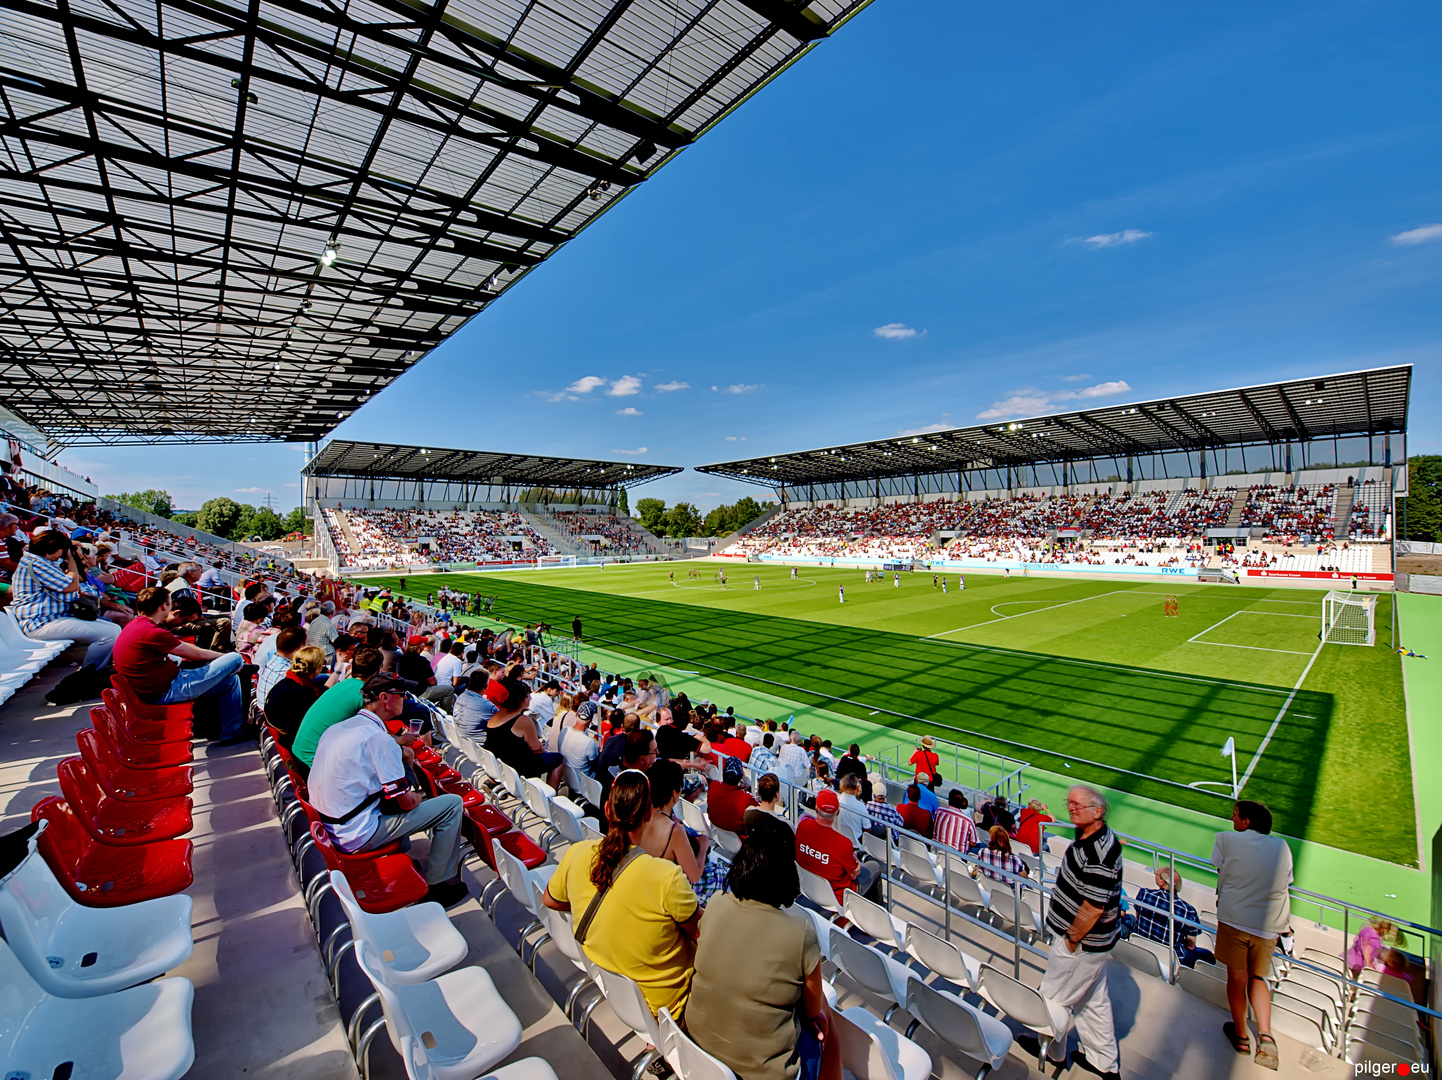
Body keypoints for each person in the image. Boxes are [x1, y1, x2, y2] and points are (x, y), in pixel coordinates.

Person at [688, 814, 841, 1080]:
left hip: (698, 1049)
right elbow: (814, 1011)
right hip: (760, 1070)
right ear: (785, 873)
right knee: (826, 1014)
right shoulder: (800, 933)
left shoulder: (715, 903)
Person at [542, 771, 701, 1018]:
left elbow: (551, 899)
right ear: (649, 813)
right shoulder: (665, 877)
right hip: (670, 1006)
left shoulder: (577, 854)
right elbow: (703, 934)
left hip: (620, 995)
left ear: (606, 809)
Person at [309, 673, 467, 908]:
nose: (405, 698)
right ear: (384, 698)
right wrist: (415, 786)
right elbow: (406, 803)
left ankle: (402, 855)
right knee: (451, 805)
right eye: (400, 694)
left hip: (333, 825)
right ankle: (437, 885)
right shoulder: (378, 740)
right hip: (355, 834)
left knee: (389, 798)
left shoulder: (342, 727)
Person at [1039, 786, 1123, 1079]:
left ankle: (1051, 1052)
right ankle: (1105, 1063)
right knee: (1093, 1002)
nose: (1071, 808)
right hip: (1092, 943)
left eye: (1077, 805)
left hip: (1081, 943)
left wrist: (1073, 937)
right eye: (1069, 803)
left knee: (1052, 995)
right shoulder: (1089, 838)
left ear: (1097, 812)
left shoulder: (1098, 852)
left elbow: (1093, 906)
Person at [1213, 799, 1293, 1070]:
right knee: (1257, 977)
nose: (1232, 819)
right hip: (1268, 924)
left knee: (1236, 976)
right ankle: (1266, 1035)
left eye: (1235, 815)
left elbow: (1221, 872)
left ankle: (1242, 1036)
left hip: (1235, 917)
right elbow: (1285, 881)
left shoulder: (1226, 840)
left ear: (1246, 822)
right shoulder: (1282, 846)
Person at [113, 586, 249, 744]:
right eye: (170, 603)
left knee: (230, 683)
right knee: (235, 658)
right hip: (168, 690)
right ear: (163, 606)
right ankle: (242, 667)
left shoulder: (135, 626)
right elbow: (197, 654)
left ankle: (232, 733)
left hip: (163, 685)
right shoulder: (151, 631)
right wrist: (227, 659)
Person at [7, 529, 122, 666]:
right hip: (42, 623)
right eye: (61, 550)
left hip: (51, 618)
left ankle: (94, 668)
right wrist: (71, 559)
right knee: (109, 634)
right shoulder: (37, 565)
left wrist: (70, 546)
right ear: (50, 550)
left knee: (114, 629)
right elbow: (72, 585)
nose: (62, 555)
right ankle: (91, 672)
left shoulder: (36, 561)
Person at [292, 645, 386, 769]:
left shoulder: (341, 685)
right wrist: (400, 740)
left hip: (300, 754)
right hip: (314, 762)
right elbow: (375, 741)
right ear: (378, 671)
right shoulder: (363, 694)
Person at [795, 789, 881, 906]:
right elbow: (853, 874)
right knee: (874, 867)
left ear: (816, 809)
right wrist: (857, 865)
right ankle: (874, 913)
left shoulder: (803, 826)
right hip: (837, 898)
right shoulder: (843, 843)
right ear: (837, 812)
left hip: (808, 889)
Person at [485, 676, 565, 789]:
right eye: (528, 696)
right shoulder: (523, 720)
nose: (529, 699)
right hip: (517, 766)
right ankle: (549, 796)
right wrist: (545, 752)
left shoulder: (498, 713)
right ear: (521, 699)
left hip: (500, 763)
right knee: (558, 758)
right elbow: (536, 748)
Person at [1132, 868, 1214, 969]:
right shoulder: (1189, 911)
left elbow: (1137, 919)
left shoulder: (1144, 894)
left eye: (1156, 875)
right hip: (1170, 961)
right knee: (1208, 956)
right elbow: (1191, 946)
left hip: (1140, 948)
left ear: (1162, 882)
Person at [264, 646, 328, 748]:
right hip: (293, 742)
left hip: (282, 732)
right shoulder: (303, 693)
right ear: (317, 668)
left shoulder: (288, 682)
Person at [707, 756, 759, 836]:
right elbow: (761, 811)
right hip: (738, 840)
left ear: (723, 773)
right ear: (741, 776)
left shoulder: (713, 785)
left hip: (716, 833)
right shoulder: (746, 798)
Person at [453, 669, 495, 742]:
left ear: (469, 682)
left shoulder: (461, 696)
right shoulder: (485, 705)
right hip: (478, 745)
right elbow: (501, 723)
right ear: (486, 686)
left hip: (461, 740)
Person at [561, 700, 601, 778]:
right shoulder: (589, 742)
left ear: (576, 714)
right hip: (585, 781)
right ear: (591, 720)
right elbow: (595, 765)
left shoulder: (564, 731)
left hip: (566, 776)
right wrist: (596, 748)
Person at [834, 773, 871, 844]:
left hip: (839, 836)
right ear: (857, 787)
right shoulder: (860, 806)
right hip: (855, 841)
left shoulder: (836, 799)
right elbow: (867, 829)